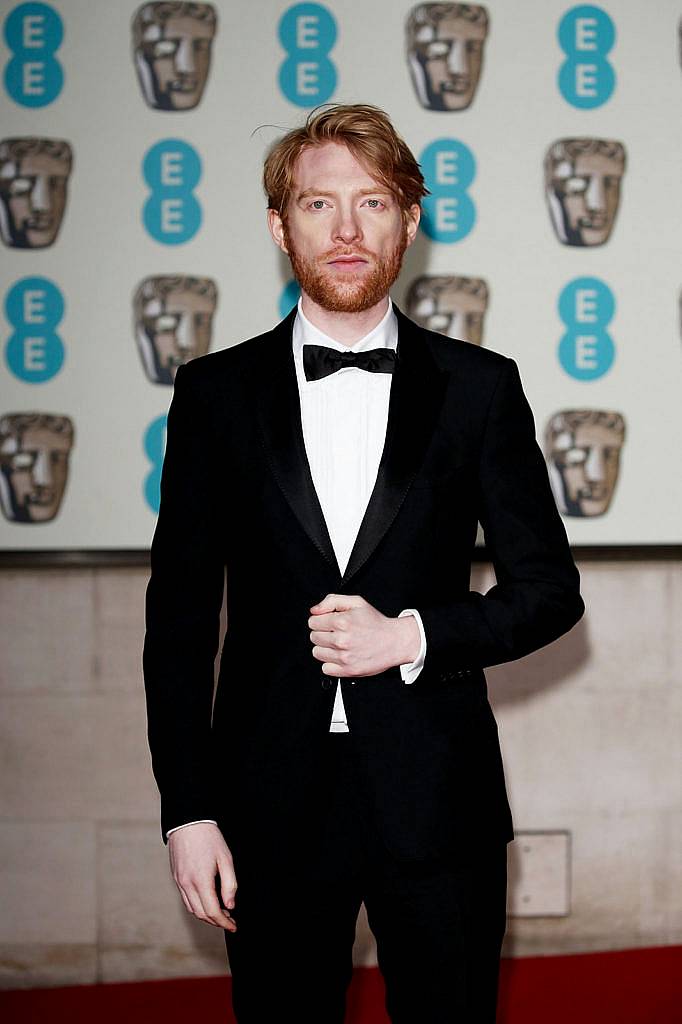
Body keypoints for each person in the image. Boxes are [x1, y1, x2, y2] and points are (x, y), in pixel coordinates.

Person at [143, 103, 584, 1023]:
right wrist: (188, 812)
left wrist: (414, 635)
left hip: (439, 800)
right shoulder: (214, 396)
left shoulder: (479, 387)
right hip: (266, 808)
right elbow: (179, 626)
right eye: (317, 205)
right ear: (279, 224)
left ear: (409, 220)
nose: (346, 231)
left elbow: (549, 592)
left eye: (373, 203)